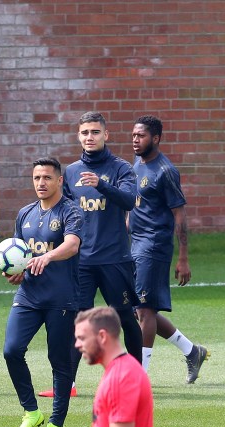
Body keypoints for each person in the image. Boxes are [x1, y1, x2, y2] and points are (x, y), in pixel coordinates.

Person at [38, 112, 142, 398]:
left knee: (124, 317)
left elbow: (129, 201)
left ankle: (134, 378)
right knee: (77, 321)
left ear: (106, 135)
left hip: (114, 260)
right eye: (85, 132)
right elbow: (64, 212)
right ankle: (67, 385)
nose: (90, 137)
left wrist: (101, 185)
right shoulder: (70, 172)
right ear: (79, 136)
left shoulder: (121, 168)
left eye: (95, 132)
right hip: (81, 263)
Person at [3, 158, 83, 427]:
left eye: (47, 178)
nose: (41, 183)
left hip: (61, 299)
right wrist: (17, 272)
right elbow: (21, 254)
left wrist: (47, 257)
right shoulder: (25, 214)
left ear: (59, 181)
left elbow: (72, 245)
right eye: (37, 178)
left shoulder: (71, 211)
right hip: (29, 295)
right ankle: (31, 412)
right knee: (11, 350)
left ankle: (57, 425)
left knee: (59, 361)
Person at [129, 115, 209, 383]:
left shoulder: (166, 171)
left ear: (156, 138)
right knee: (139, 309)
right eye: (133, 136)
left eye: (140, 136)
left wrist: (183, 258)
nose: (135, 140)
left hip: (154, 245)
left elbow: (180, 216)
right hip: (134, 244)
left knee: (145, 310)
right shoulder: (136, 164)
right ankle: (192, 351)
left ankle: (140, 377)